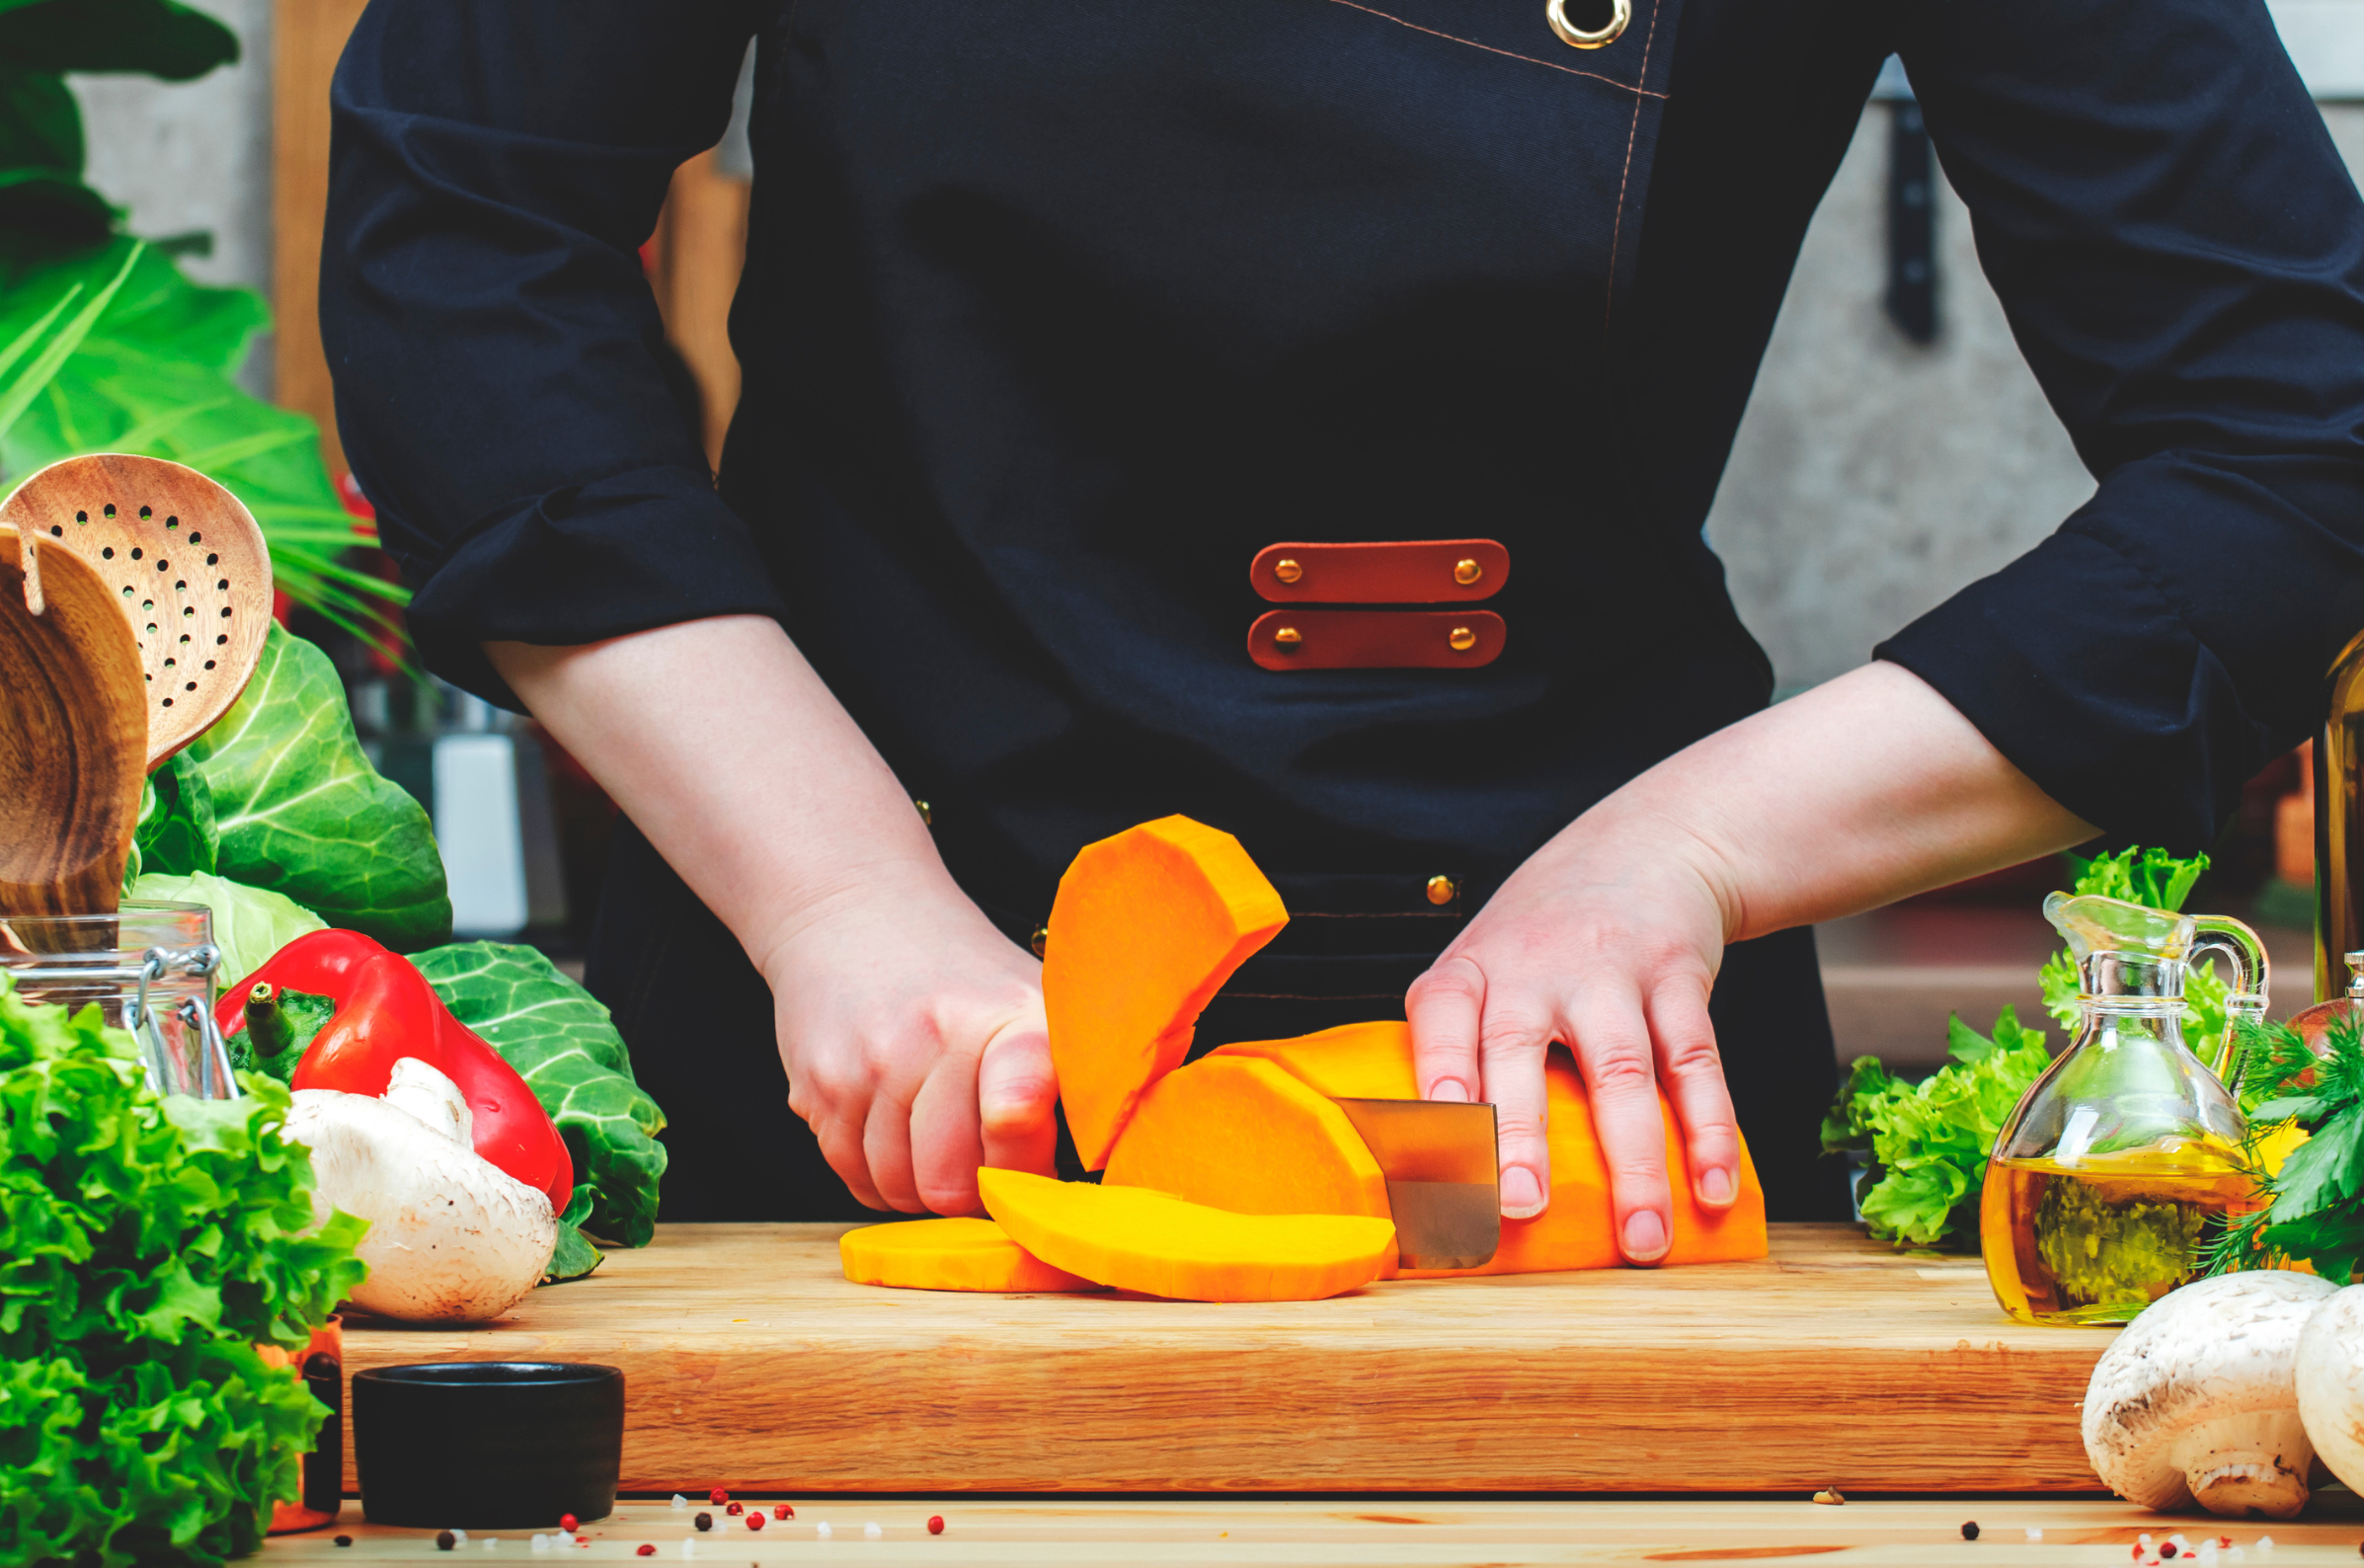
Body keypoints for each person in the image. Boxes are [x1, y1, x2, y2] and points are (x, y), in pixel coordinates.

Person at [320, 0, 2364, 1256]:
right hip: (868, 1037)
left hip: (1566, 1088)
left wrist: (1690, 849)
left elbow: (2301, 440)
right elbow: (463, 235)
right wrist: (839, 890)